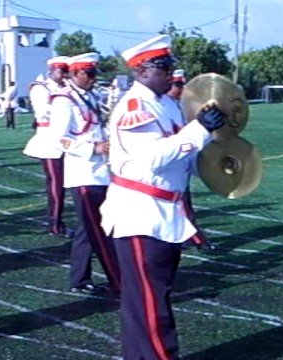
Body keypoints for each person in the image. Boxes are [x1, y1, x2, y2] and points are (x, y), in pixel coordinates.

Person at [100, 35, 225, 359]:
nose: (171, 72)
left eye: (170, 64)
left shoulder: (167, 104)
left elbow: (180, 157)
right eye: (163, 66)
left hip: (164, 213)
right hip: (140, 214)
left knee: (146, 300)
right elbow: (152, 159)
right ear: (141, 70)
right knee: (152, 305)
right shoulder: (134, 107)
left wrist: (211, 148)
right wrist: (197, 130)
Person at [49, 53, 120, 294]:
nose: (93, 78)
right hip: (83, 173)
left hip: (100, 171)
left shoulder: (90, 96)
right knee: (98, 229)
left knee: (87, 229)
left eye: (94, 73)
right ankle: (117, 278)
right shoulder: (63, 101)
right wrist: (93, 148)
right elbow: (59, 138)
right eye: (88, 74)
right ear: (74, 73)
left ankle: (80, 278)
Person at [23, 56, 74, 238]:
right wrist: (66, 102)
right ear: (51, 70)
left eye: (66, 72)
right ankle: (55, 224)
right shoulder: (40, 87)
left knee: (66, 184)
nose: (64, 76)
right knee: (56, 184)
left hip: (66, 139)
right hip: (49, 141)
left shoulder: (65, 88)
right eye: (61, 72)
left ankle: (58, 221)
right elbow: (43, 112)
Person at [167, 69, 213, 251]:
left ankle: (192, 236)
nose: (182, 89)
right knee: (181, 203)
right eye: (178, 84)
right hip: (171, 163)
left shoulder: (176, 106)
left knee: (184, 201)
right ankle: (194, 237)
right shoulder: (165, 106)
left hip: (182, 161)